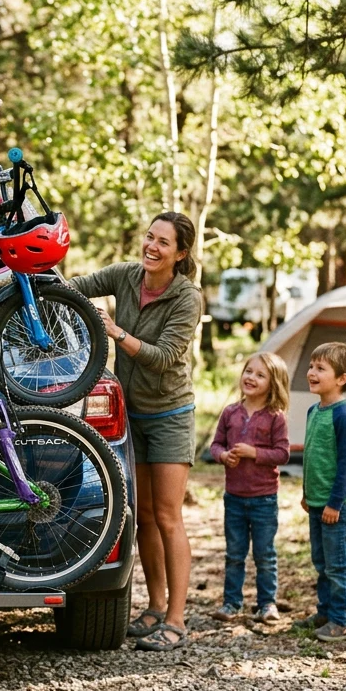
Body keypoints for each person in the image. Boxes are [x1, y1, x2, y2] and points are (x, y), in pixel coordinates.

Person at [70, 211, 204, 652]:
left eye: (163, 243)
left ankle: (178, 619)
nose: (152, 246)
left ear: (180, 253)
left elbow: (164, 357)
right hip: (131, 414)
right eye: (150, 237)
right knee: (143, 515)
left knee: (167, 516)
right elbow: (76, 287)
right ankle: (155, 605)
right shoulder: (127, 276)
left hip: (168, 413)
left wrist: (113, 331)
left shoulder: (187, 298)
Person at [210, 352, 291, 623]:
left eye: (260, 374)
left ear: (273, 383)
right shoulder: (230, 412)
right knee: (234, 553)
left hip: (264, 499)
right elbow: (216, 445)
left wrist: (253, 453)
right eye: (248, 371)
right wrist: (224, 456)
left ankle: (267, 604)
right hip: (234, 497)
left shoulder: (275, 417)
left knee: (264, 554)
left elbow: (282, 453)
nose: (251, 377)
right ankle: (231, 603)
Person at [295, 342, 346, 642]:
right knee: (320, 560)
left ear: (341, 379)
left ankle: (341, 618)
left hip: (337, 505)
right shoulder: (314, 411)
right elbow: (312, 455)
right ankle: (324, 610)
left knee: (337, 563)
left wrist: (335, 503)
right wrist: (307, 494)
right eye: (311, 366)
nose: (311, 372)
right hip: (318, 501)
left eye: (321, 368)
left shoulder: (343, 416)